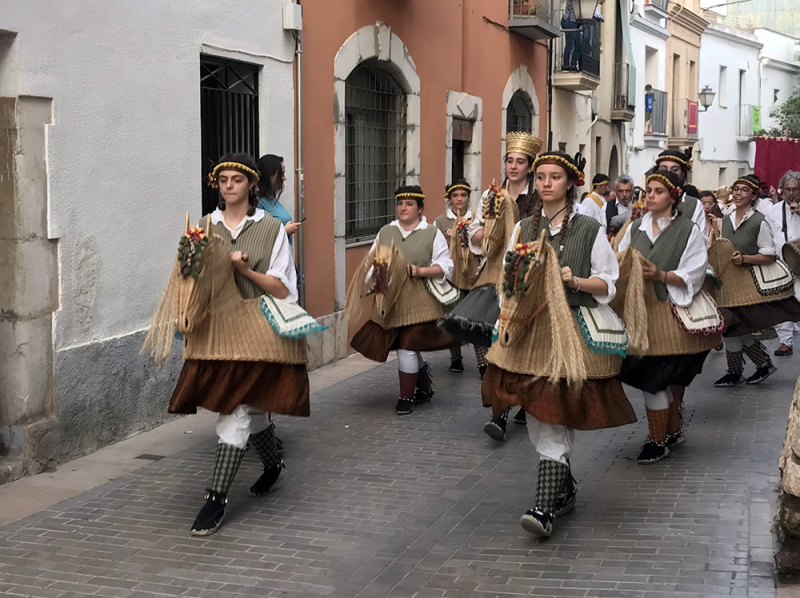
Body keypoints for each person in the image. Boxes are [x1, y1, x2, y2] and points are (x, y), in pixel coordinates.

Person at [146, 153, 310, 536]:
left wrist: (244, 270)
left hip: (259, 327)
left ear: (252, 185)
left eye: (237, 179)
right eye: (224, 180)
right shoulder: (204, 227)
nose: (229, 185)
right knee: (248, 411)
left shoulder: (270, 227)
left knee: (234, 413)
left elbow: (284, 287)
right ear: (216, 185)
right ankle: (272, 466)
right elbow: (189, 278)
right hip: (217, 331)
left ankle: (215, 499)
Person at [482, 150, 635, 538]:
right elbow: (507, 281)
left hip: (570, 329)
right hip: (529, 334)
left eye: (554, 177)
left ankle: (543, 508)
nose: (546, 183)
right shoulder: (524, 229)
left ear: (570, 184)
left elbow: (608, 283)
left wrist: (575, 282)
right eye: (541, 177)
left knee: (552, 416)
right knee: (537, 418)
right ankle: (563, 489)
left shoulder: (588, 228)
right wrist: (506, 317)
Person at [440, 132, 543, 438]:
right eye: (509, 160)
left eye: (520, 161)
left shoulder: (537, 199)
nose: (513, 166)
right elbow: (475, 232)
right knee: (486, 337)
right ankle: (499, 407)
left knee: (517, 344)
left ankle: (521, 399)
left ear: (530, 166)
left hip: (523, 274)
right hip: (491, 270)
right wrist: (480, 237)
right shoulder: (490, 196)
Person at [618, 170, 721, 464]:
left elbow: (696, 271)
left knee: (656, 379)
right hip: (639, 314)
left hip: (670, 315)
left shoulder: (688, 230)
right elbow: (619, 264)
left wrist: (661, 274)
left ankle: (657, 440)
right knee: (652, 378)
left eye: (658, 191)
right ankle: (672, 429)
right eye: (648, 190)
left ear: (673, 196)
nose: (649, 195)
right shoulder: (635, 228)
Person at [349, 186, 455, 415]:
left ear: (420, 209)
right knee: (408, 346)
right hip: (391, 301)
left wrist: (420, 271)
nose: (403, 208)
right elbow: (372, 261)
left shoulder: (432, 233)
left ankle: (406, 397)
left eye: (409, 203)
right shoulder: (386, 231)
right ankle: (424, 389)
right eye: (400, 203)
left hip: (421, 301)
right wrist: (376, 277)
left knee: (407, 347)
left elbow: (446, 267)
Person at [712, 174, 800, 386]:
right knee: (730, 326)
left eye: (744, 190)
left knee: (733, 326)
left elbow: (769, 255)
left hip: (749, 283)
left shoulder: (759, 221)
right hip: (726, 282)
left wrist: (745, 259)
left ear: (753, 195)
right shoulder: (724, 220)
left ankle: (746, 368)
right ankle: (750, 367)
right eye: (736, 189)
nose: (739, 193)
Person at [433, 179, 488, 375]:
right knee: (453, 319)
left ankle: (483, 363)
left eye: (463, 195)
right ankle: (455, 358)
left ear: (468, 197)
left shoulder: (477, 220)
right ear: (449, 198)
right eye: (455, 196)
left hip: (475, 275)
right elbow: (435, 250)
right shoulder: (440, 222)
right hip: (452, 277)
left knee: (475, 320)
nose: (459, 199)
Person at [769, 171, 800, 356]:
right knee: (781, 302)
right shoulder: (773, 210)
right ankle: (785, 341)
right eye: (787, 189)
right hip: (781, 264)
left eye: (795, 189)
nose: (791, 193)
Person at [653, 148, 705, 233]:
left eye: (674, 170)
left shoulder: (694, 204)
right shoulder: (646, 200)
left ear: (683, 174)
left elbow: (700, 239)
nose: (668, 173)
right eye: (663, 169)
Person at [256, 155, 302, 245]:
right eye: (282, 174)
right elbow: (258, 239)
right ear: (270, 175)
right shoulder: (258, 204)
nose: (284, 178)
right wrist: (285, 231)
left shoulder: (271, 199)